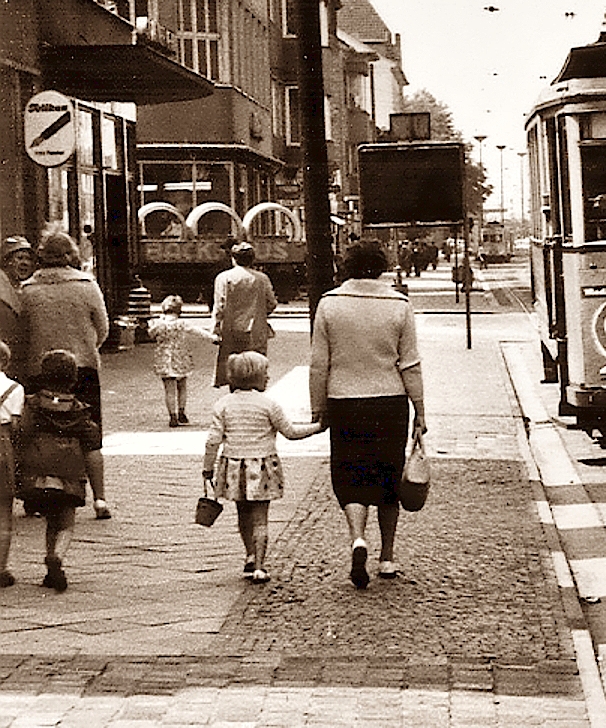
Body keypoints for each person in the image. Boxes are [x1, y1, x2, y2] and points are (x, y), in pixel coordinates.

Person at [309, 240, 425, 587]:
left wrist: (319, 406)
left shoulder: (329, 305)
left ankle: (357, 538)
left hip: (345, 401)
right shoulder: (399, 305)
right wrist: (420, 410)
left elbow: (318, 364)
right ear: (381, 265)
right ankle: (387, 556)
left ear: (346, 265)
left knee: (350, 474)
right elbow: (411, 364)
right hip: (389, 401)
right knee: (389, 476)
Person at [201, 351, 323, 583]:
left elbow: (213, 440)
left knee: (243, 515)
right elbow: (291, 433)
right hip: (263, 468)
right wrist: (317, 427)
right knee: (260, 518)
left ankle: (248, 553)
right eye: (265, 373)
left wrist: (208, 468)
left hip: (235, 468)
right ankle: (259, 565)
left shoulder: (223, 405)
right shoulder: (268, 405)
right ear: (255, 377)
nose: (268, 377)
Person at [19, 230, 110, 518]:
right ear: (71, 254)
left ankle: (37, 494)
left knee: (39, 431)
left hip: (40, 370)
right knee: (88, 433)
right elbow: (103, 327)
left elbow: (22, 333)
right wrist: (85, 347)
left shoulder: (27, 290)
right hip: (81, 368)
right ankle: (99, 498)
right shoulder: (87, 286)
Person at [14, 349, 103, 591]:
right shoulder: (80, 411)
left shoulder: (32, 405)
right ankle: (58, 556)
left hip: (38, 473)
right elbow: (92, 449)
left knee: (50, 521)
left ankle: (49, 563)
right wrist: (100, 494)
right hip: (69, 474)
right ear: (74, 379)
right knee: (65, 523)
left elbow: (21, 432)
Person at [211, 243, 277, 388]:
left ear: (233, 259)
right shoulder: (262, 278)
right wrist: (261, 314)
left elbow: (219, 307)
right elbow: (271, 303)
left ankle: (236, 398)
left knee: (234, 368)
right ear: (252, 259)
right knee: (255, 368)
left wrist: (216, 330)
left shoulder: (224, 278)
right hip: (256, 330)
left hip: (231, 330)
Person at [147, 296, 218, 426]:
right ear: (179, 310)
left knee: (169, 389)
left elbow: (151, 334)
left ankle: (172, 416)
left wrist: (156, 322)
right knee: (182, 386)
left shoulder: (159, 324)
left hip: (164, 359)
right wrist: (212, 338)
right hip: (181, 358)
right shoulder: (182, 324)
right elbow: (198, 331)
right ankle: (182, 412)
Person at [0, 338, 22, 588]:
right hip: (3, 447)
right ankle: (1, 568)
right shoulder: (15, 389)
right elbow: (17, 426)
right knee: (4, 511)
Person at [0, 237, 31, 371]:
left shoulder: (27, 289)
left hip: (21, 364)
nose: (25, 263)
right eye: (20, 258)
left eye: (28, 259)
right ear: (6, 261)